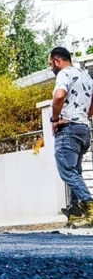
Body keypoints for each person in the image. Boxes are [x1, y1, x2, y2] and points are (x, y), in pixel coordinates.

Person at [49, 47, 93, 228]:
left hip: (68, 129)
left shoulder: (64, 74)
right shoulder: (86, 76)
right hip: (84, 129)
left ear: (57, 60)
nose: (51, 67)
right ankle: (75, 214)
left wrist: (54, 119)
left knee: (66, 171)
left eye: (51, 63)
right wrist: (85, 116)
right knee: (75, 171)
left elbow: (59, 97)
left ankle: (90, 208)